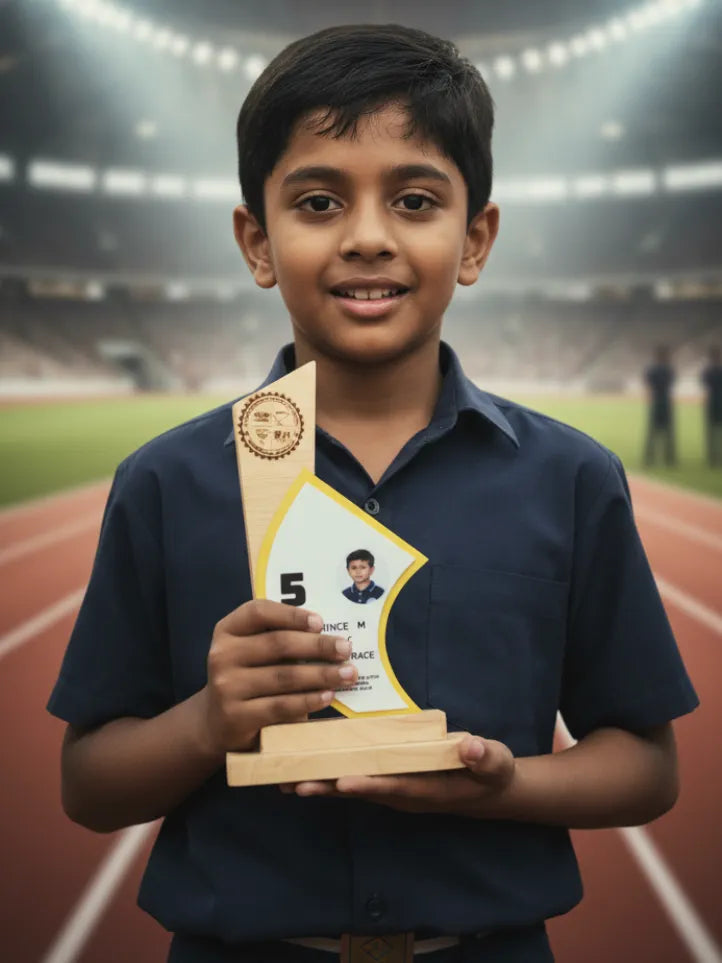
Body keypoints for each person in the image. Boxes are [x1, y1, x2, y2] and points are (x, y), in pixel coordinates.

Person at [48, 24, 698, 963]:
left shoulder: (570, 478)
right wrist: (208, 722)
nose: (366, 236)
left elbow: (646, 765)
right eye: (317, 201)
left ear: (474, 239)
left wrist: (504, 784)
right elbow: (88, 785)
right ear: (256, 239)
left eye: (414, 200)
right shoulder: (167, 482)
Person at [643, 344, 676, 466]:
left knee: (653, 432)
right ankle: (669, 458)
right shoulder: (669, 370)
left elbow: (648, 383)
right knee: (668, 432)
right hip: (665, 400)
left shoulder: (652, 370)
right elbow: (671, 382)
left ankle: (650, 457)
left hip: (656, 400)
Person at [701, 345, 722, 467]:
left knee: (713, 431)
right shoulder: (710, 371)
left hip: (713, 400)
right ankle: (713, 455)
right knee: (713, 431)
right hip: (716, 400)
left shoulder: (708, 371)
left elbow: (704, 383)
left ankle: (714, 456)